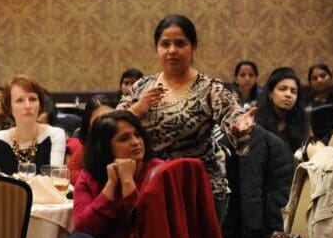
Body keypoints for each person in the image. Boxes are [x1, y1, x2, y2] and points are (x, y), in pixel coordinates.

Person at [117, 14, 255, 222]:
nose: (172, 50)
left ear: (193, 48)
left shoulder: (210, 89)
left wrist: (239, 126)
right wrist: (138, 108)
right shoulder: (142, 87)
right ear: (157, 49)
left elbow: (232, 116)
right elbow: (111, 126)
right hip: (151, 187)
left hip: (199, 190)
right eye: (165, 44)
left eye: (180, 43)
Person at [63, 110, 162, 238]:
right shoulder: (89, 177)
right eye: (125, 138)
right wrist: (110, 186)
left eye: (137, 134)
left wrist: (128, 184)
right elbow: (84, 227)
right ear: (106, 147)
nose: (136, 142)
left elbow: (147, 230)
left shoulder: (158, 172)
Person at [0, 74, 66, 174]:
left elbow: (55, 180)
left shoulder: (55, 135)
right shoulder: (0, 138)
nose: (28, 106)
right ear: (9, 108)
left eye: (32, 99)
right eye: (20, 100)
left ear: (40, 105)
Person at [255, 67, 308, 153]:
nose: (288, 94)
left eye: (293, 91)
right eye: (282, 89)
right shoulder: (257, 120)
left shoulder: (302, 119)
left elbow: (309, 146)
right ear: (270, 94)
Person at [67, 94, 117, 184]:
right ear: (89, 128)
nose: (106, 124)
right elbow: (70, 172)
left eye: (112, 118)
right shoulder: (88, 146)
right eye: (99, 121)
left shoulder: (128, 140)